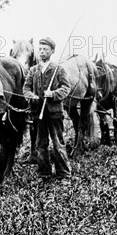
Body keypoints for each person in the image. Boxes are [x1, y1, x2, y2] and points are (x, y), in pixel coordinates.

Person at [23, 37, 71, 178]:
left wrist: (53, 94)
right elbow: (26, 88)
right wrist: (31, 96)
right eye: (41, 49)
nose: (42, 52)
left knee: (58, 144)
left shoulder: (58, 69)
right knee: (40, 144)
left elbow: (66, 88)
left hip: (54, 113)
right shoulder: (33, 70)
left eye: (45, 49)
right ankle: (44, 173)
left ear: (52, 51)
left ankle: (64, 174)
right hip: (38, 113)